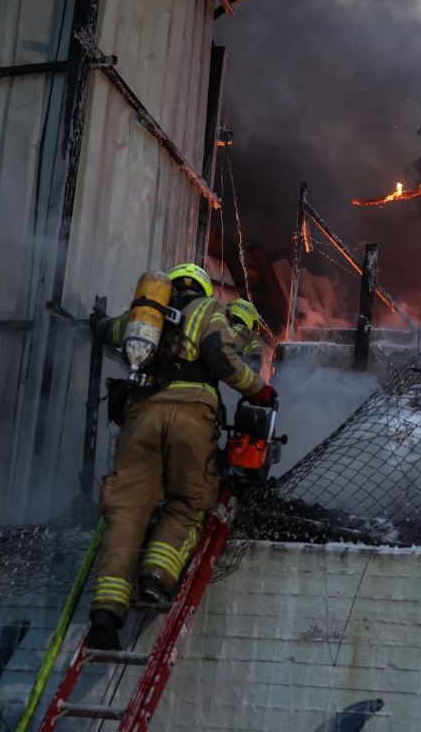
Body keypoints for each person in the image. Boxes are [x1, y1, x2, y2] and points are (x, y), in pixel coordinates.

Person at [87, 263, 278, 650]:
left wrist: (95, 322)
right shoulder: (209, 309)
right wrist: (257, 389)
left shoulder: (145, 316)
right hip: (191, 414)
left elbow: (109, 331)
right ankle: (156, 576)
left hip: (140, 416)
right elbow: (220, 353)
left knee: (126, 510)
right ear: (203, 289)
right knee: (190, 501)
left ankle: (106, 611)